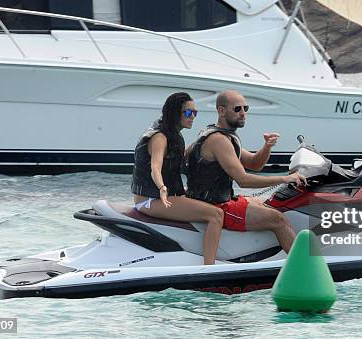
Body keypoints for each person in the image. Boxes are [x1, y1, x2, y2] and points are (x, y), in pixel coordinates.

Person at [186, 90, 306, 253]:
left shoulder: (225, 136)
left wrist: (267, 147)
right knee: (278, 219)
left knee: (266, 202)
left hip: (222, 199)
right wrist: (286, 178)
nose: (243, 113)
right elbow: (244, 180)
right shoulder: (218, 140)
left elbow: (254, 164)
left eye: (245, 108)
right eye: (237, 109)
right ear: (221, 111)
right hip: (215, 206)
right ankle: (302, 267)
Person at [131, 92, 224, 265]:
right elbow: (155, 167)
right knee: (215, 215)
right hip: (150, 200)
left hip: (164, 196)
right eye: (188, 113)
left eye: (195, 113)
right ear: (175, 113)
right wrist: (162, 187)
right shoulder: (160, 137)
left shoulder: (173, 134)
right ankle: (209, 268)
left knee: (210, 199)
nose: (193, 117)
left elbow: (180, 160)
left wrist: (205, 142)